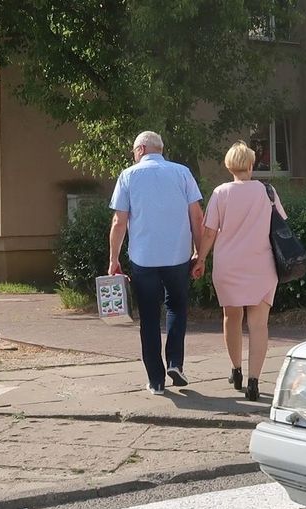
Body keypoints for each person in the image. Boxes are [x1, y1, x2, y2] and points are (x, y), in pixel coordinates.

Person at [108, 131, 204, 394]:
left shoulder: (128, 175)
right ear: (159, 149)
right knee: (176, 307)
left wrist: (113, 259)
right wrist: (200, 253)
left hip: (144, 258)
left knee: (149, 317)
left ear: (140, 149)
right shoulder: (182, 173)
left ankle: (156, 380)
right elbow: (196, 216)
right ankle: (175, 362)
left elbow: (119, 221)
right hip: (178, 257)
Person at [191, 140, 282, 402]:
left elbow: (209, 233)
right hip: (261, 265)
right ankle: (254, 382)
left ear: (229, 165)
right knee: (259, 324)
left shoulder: (221, 193)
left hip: (228, 265)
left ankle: (236, 370)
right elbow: (279, 226)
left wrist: (201, 258)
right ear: (251, 164)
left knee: (231, 318)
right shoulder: (269, 192)